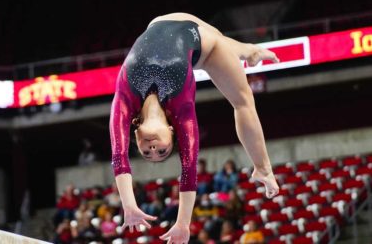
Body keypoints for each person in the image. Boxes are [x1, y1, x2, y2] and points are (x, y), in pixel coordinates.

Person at [109, 13, 279, 243]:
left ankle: (249, 51)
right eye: (162, 151)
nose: (153, 149)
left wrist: (129, 206)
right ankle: (263, 168)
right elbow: (189, 171)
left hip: (161, 21)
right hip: (203, 48)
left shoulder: (125, 101)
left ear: (136, 134)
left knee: (222, 40)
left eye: (147, 152)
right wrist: (182, 224)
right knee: (243, 101)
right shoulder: (182, 108)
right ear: (172, 131)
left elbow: (119, 157)